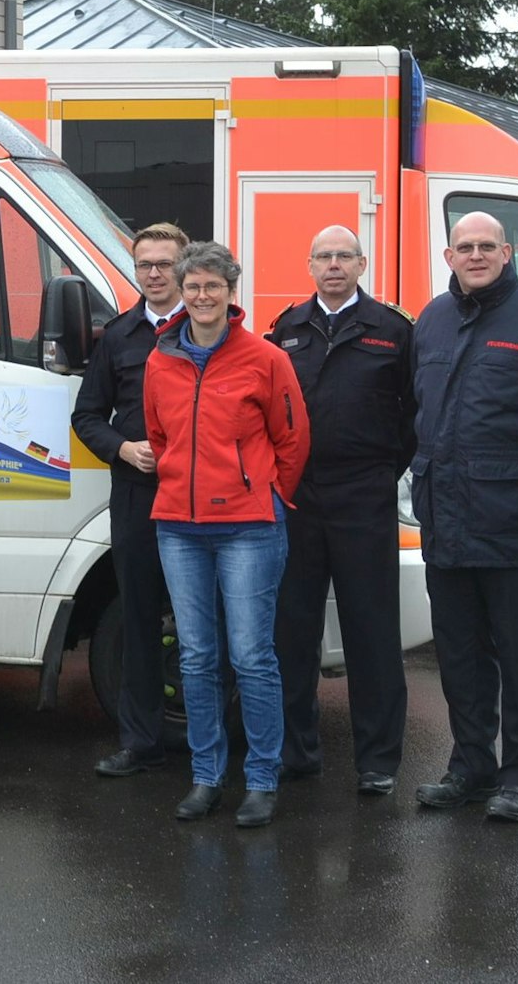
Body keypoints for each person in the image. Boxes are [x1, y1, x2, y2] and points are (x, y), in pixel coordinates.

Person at [410, 211, 518, 822]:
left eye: (487, 246)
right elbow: (419, 412)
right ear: (449, 254)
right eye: (465, 247)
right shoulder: (431, 319)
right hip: (445, 522)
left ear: (508, 253)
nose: (476, 255)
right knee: (459, 656)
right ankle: (471, 766)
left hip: (516, 523)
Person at [144, 241, 309, 828]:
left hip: (247, 527)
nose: (203, 297)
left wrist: (268, 494)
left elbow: (292, 439)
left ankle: (261, 778)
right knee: (196, 657)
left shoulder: (264, 358)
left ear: (231, 292)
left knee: (251, 656)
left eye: (214, 286)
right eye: (193, 287)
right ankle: (206, 776)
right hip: (180, 528)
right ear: (181, 293)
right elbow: (160, 436)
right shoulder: (160, 358)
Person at [265, 226, 415, 796]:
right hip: (298, 497)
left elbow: (413, 415)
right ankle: (295, 751)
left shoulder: (393, 330)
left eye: (344, 256)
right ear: (309, 264)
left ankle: (378, 761)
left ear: (362, 263)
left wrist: (381, 471)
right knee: (292, 631)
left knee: (371, 631)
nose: (333, 265)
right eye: (323, 256)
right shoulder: (287, 329)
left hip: (363, 497)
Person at [73, 222, 189, 778]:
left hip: (202, 501)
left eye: (165, 264)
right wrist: (121, 448)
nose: (155, 273)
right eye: (146, 264)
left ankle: (207, 748)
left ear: (184, 268)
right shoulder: (118, 338)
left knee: (205, 620)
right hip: (138, 496)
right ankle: (140, 742)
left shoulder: (207, 329)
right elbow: (86, 416)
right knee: (140, 619)